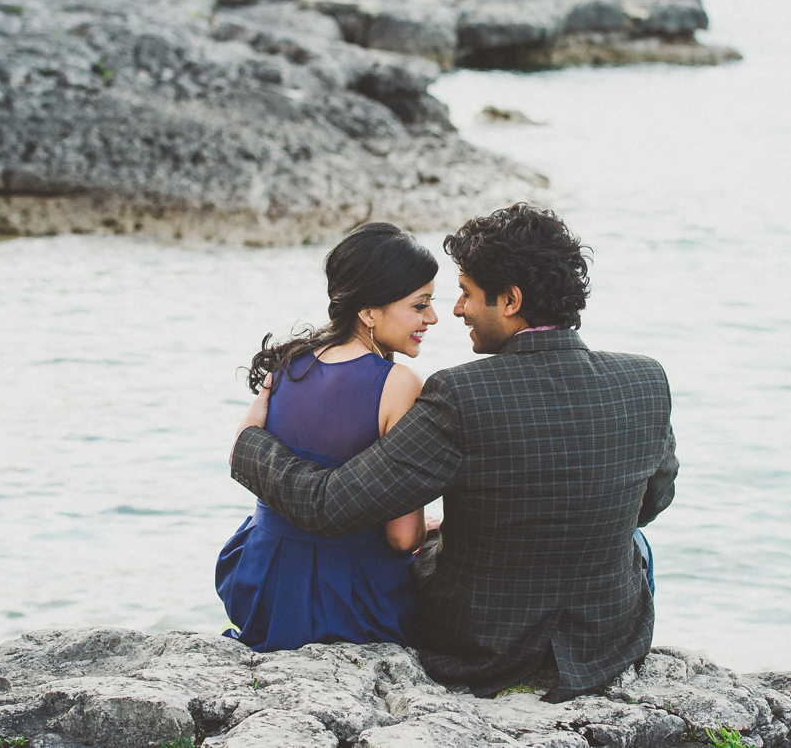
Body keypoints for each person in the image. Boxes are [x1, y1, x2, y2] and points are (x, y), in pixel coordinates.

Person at [229, 204, 677, 701]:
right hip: (608, 638)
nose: (456, 310)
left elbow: (331, 504)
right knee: (633, 542)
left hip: (483, 644)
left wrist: (249, 447)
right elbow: (650, 503)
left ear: (510, 300)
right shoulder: (646, 379)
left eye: (464, 293)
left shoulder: (461, 394)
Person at [216, 221, 440, 652]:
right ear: (370, 311)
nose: (431, 317)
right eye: (420, 304)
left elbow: (245, 443)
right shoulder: (399, 383)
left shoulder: (289, 363)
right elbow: (403, 538)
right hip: (347, 600)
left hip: (262, 581)